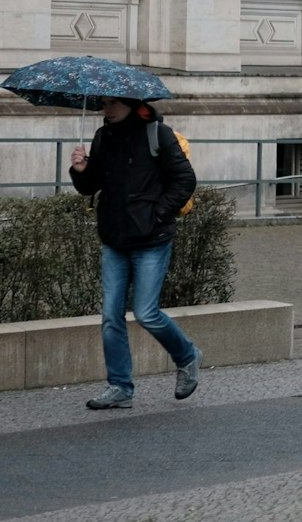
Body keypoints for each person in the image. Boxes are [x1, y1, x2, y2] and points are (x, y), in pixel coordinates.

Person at [67, 96, 202, 410]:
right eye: (102, 104)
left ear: (130, 103)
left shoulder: (158, 133)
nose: (106, 109)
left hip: (152, 239)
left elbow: (185, 179)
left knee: (146, 313)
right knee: (110, 317)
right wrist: (81, 170)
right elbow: (91, 186)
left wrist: (158, 214)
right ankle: (120, 387)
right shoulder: (104, 136)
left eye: (112, 103)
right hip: (114, 239)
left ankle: (187, 356)